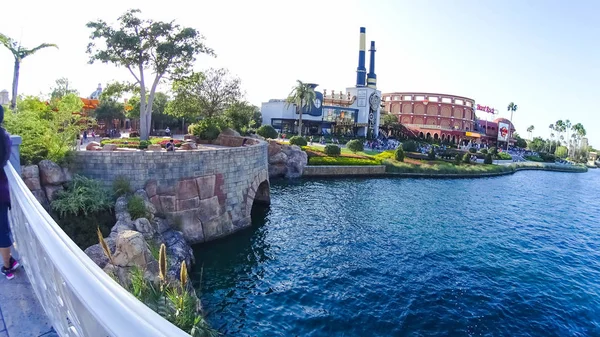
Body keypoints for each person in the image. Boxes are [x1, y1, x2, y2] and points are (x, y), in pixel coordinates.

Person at [0, 106, 19, 280]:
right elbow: (4, 159)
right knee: (3, 229)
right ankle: (9, 262)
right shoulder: (4, 136)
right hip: (1, 190)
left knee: (1, 231)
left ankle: (7, 266)